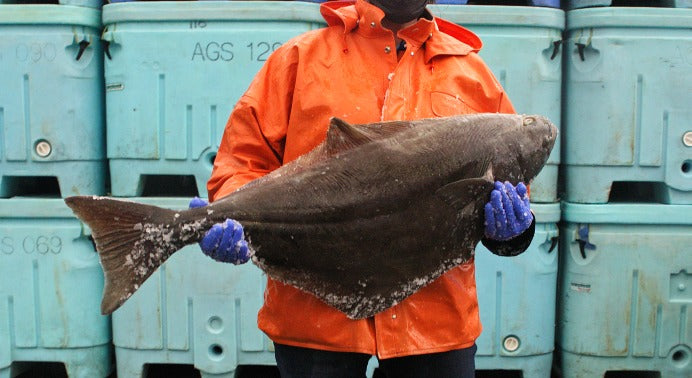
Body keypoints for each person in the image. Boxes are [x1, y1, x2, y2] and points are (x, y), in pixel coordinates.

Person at [190, 1, 535, 376]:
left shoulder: (474, 75)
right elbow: (242, 162)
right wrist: (226, 215)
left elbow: (509, 198)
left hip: (437, 328)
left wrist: (513, 233)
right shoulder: (298, 60)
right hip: (314, 325)